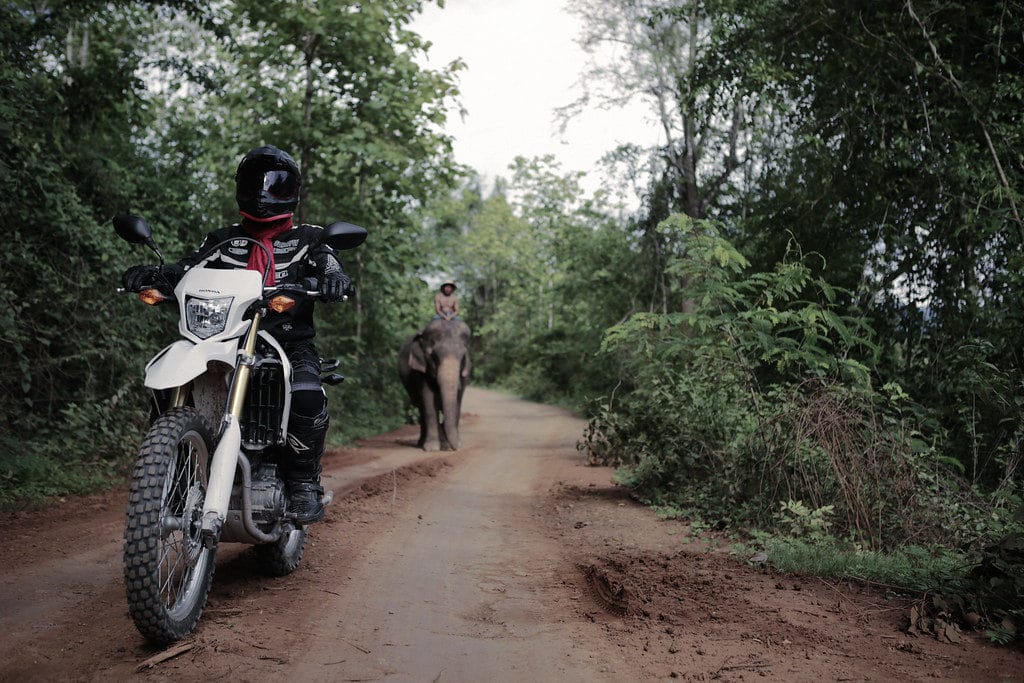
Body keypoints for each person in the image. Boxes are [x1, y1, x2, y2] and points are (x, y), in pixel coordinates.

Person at [121, 145, 351, 524]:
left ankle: (303, 482)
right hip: (220, 338)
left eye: (275, 185)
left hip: (286, 341)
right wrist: (156, 275)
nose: (263, 192)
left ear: (292, 191)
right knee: (165, 384)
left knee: (308, 395)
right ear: (241, 188)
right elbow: (188, 268)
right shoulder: (222, 240)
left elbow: (331, 265)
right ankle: (170, 472)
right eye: (255, 183)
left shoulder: (311, 239)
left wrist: (333, 279)